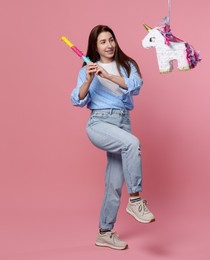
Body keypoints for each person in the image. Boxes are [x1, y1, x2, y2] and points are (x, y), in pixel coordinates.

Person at [70, 25, 155, 250]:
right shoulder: (86, 68)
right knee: (133, 143)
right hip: (99, 122)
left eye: (111, 40)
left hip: (122, 122)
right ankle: (136, 200)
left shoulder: (127, 64)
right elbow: (76, 99)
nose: (109, 45)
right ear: (94, 47)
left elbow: (136, 85)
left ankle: (104, 233)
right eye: (103, 42)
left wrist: (108, 75)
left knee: (114, 183)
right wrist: (88, 80)